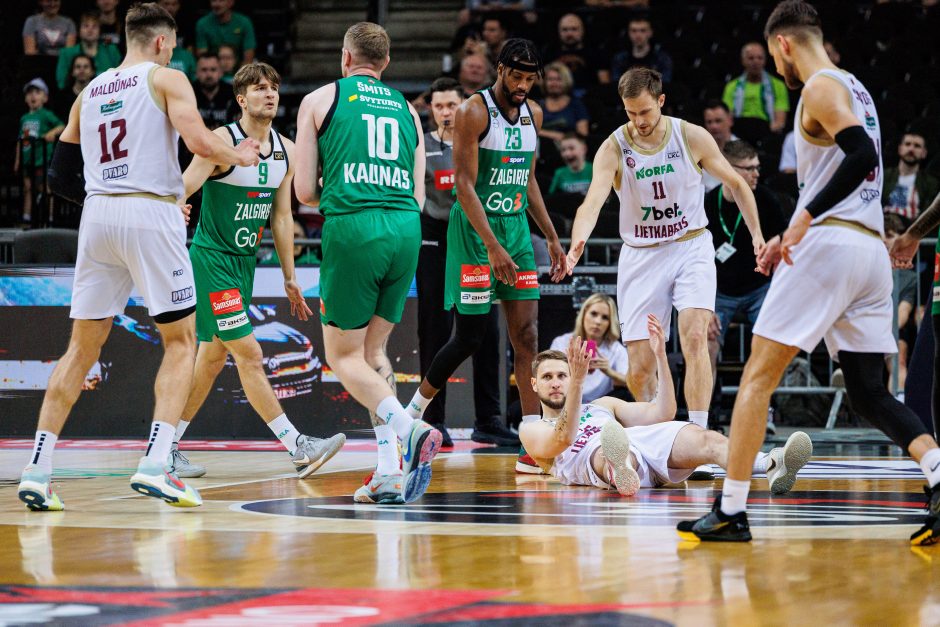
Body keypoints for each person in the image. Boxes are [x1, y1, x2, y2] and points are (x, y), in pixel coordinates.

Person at [680, 0, 940, 545]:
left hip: (831, 247)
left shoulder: (820, 85)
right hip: (869, 253)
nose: (782, 70)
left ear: (782, 44)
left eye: (778, 59)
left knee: (756, 378)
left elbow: (862, 154)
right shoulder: (858, 88)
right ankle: (939, 477)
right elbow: (850, 164)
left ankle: (730, 510)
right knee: (870, 393)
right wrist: (793, 229)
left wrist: (799, 222)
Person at [17, 2, 261, 512]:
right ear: (160, 43)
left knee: (79, 350)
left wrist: (109, 200)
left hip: (98, 216)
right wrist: (240, 154)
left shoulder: (89, 91)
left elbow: (59, 177)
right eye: (171, 45)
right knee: (180, 342)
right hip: (151, 212)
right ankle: (155, 464)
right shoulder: (168, 79)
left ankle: (37, 471)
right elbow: (198, 142)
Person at [171, 62, 346, 479]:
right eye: (259, 88)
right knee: (249, 353)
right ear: (241, 99)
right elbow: (185, 183)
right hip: (211, 260)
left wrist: (289, 277)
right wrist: (170, 205)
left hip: (244, 266)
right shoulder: (221, 141)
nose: (269, 94)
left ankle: (165, 448)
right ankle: (298, 445)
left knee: (211, 361)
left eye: (274, 88)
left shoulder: (285, 149)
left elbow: (282, 217)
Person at [567, 67, 764, 438]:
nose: (638, 121)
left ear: (660, 101)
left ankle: (698, 433)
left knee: (695, 336)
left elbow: (737, 182)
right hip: (642, 253)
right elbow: (592, 201)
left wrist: (756, 235)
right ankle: (658, 439)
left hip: (691, 245)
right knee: (640, 367)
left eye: (645, 111)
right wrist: (579, 241)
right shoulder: (614, 146)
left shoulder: (690, 136)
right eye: (630, 113)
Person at [295, 22, 439, 505]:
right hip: (405, 228)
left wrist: (341, 188)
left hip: (355, 225)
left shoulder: (319, 100)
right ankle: (388, 472)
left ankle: (411, 430)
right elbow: (419, 195)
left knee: (341, 356)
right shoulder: (409, 111)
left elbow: (304, 192)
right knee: (374, 353)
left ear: (345, 57)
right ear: (386, 63)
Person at [404, 39, 567, 457]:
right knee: (469, 337)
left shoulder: (533, 114)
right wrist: (492, 247)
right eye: (516, 76)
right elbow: (463, 186)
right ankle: (412, 416)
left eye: (530, 78)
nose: (522, 85)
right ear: (499, 69)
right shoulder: (472, 111)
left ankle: (534, 439)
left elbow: (528, 181)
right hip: (475, 233)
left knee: (527, 334)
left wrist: (550, 235)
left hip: (514, 226)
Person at [520, 317, 811, 495]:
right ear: (535, 385)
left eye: (562, 375)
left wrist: (660, 356)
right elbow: (563, 438)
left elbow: (662, 412)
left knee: (706, 439)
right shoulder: (531, 429)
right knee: (604, 451)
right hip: (588, 456)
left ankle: (772, 463)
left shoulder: (602, 404)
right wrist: (580, 384)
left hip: (636, 440)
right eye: (547, 377)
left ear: (571, 379)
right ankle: (622, 471)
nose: (556, 382)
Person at [416, 77, 507, 448]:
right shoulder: (421, 145)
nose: (445, 112)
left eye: (451, 105)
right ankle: (433, 421)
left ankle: (489, 419)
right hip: (434, 238)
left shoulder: (479, 141)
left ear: (464, 106)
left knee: (486, 328)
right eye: (438, 106)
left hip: (474, 239)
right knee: (433, 329)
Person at [704, 140, 787, 387]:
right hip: (719, 291)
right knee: (704, 340)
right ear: (727, 168)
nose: (756, 174)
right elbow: (696, 260)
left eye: (757, 167)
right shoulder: (708, 203)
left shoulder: (767, 199)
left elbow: (785, 241)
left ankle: (766, 410)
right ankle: (705, 414)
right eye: (749, 168)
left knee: (768, 341)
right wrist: (704, 307)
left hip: (759, 288)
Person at [550, 293, 629, 403]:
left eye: (605, 317)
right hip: (565, 401)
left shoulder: (615, 349)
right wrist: (571, 367)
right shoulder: (561, 342)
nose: (598, 322)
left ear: (610, 322)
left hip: (600, 405)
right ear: (584, 314)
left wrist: (609, 372)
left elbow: (631, 383)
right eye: (594, 314)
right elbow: (549, 377)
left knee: (626, 394)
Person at [15, 78, 64, 224]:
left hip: (41, 159)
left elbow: (61, 125)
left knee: (45, 188)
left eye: (37, 92)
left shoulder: (46, 114)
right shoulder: (24, 118)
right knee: (27, 188)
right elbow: (19, 140)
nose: (33, 96)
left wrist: (51, 133)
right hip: (27, 159)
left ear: (45, 97)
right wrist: (17, 160)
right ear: (25, 98)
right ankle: (27, 215)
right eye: (29, 93)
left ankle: (50, 216)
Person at [882, 213, 917, 394]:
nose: (885, 242)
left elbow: (902, 317)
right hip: (864, 327)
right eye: (882, 237)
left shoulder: (909, 278)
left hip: (891, 331)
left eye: (890, 236)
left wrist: (881, 331)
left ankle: (900, 404)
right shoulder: (867, 267)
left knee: (898, 357)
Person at [723, 42, 790, 135]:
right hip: (739, 133)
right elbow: (727, 119)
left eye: (760, 58)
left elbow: (779, 122)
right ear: (743, 61)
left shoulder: (778, 86)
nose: (756, 62)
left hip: (767, 133)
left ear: (765, 60)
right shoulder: (732, 87)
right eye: (751, 58)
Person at [541, 13, 610, 89]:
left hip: (587, 95)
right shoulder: (548, 52)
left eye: (574, 29)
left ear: (582, 30)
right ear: (559, 32)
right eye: (565, 30)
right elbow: (540, 81)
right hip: (557, 94)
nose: (569, 34)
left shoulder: (596, 53)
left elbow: (604, 84)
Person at [882, 132, 939, 223]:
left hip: (912, 230)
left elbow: (929, 215)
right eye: (907, 144)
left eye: (917, 146)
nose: (911, 149)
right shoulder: (883, 176)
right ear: (900, 149)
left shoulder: (931, 183)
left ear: (924, 153)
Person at [55, 13, 122, 89]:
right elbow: (62, 83)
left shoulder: (111, 51)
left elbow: (120, 79)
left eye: (94, 27)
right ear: (79, 30)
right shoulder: (66, 53)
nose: (90, 30)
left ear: (99, 31)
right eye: (85, 26)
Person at [610, 16, 673, 84]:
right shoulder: (620, 58)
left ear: (650, 33)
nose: (638, 35)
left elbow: (665, 85)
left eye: (643, 30)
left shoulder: (662, 58)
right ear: (629, 33)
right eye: (634, 31)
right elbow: (616, 85)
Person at [538, 62, 590, 142]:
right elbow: (528, 131)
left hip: (568, 149)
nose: (554, 83)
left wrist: (565, 138)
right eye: (550, 79)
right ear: (544, 82)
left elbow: (583, 133)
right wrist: (554, 135)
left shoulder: (576, 105)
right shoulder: (537, 106)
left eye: (558, 79)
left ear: (566, 81)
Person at [196, 0, 256, 64]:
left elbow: (248, 58)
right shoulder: (202, 23)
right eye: (213, 0)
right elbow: (203, 57)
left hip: (238, 68)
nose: (216, 4)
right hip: (213, 69)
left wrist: (241, 73)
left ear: (231, 2)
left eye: (221, 0)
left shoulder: (244, 22)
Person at [194, 52, 240, 130]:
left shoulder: (233, 94)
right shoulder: (189, 92)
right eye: (204, 70)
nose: (208, 74)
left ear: (221, 72)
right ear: (197, 73)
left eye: (213, 70)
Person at [701, 100, 739, 192]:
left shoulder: (742, 149)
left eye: (718, 121)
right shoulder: (699, 148)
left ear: (730, 120)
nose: (713, 126)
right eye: (709, 122)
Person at [158, 0, 198, 81]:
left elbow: (190, 49)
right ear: (158, 4)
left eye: (174, 4)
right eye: (166, 4)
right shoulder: (149, 24)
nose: (170, 8)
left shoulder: (186, 23)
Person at [53, 55, 96, 122]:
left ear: (92, 72)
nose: (82, 70)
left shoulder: (98, 95)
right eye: (78, 67)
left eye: (86, 67)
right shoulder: (61, 97)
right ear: (72, 72)